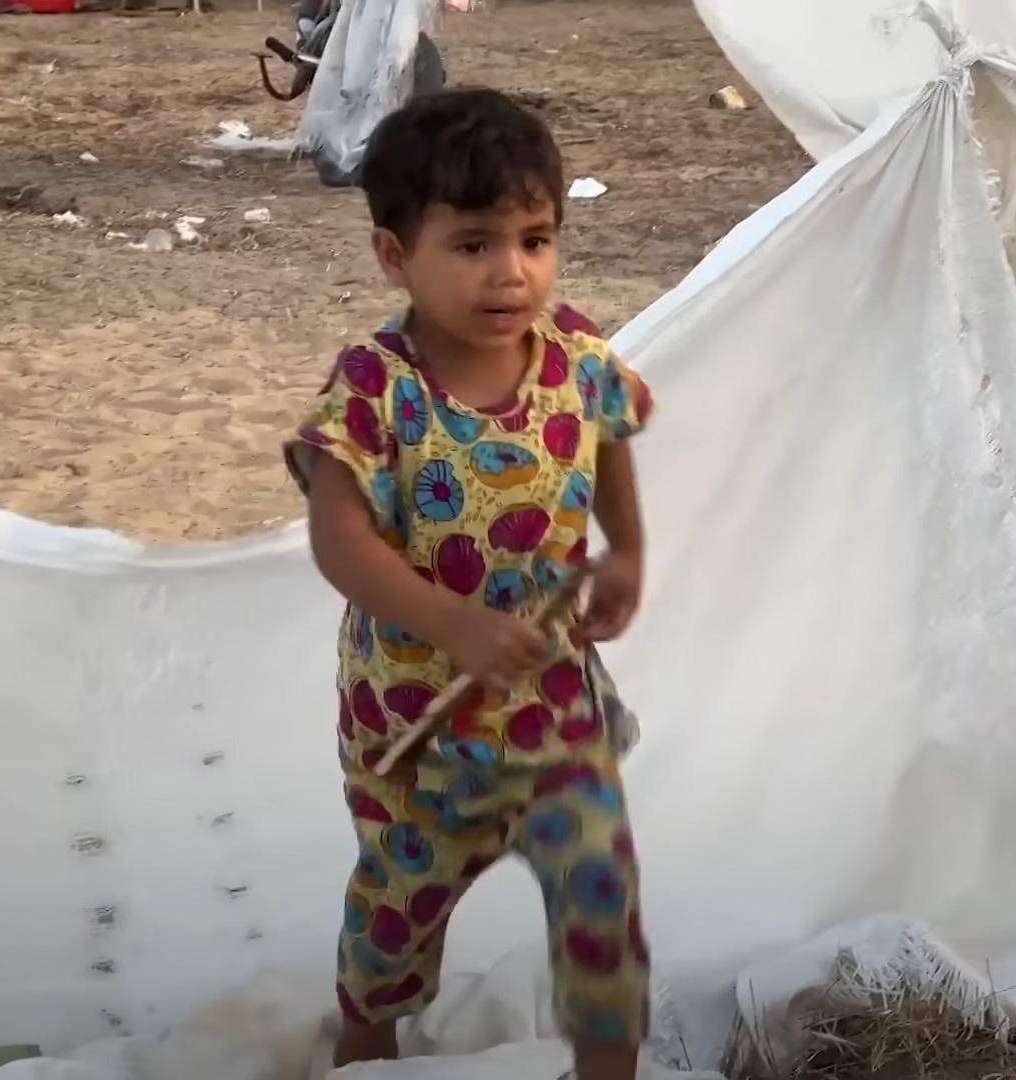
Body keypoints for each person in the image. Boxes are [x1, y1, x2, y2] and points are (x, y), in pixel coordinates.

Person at [285, 88, 656, 1080]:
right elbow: (337, 537)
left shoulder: (576, 355)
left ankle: (607, 1066)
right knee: (394, 925)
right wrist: (451, 624)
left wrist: (625, 550)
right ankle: (365, 1049)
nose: (512, 273)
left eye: (535, 240)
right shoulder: (374, 385)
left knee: (600, 904)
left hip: (552, 713)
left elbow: (607, 429)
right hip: (416, 725)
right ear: (393, 255)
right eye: (473, 244)